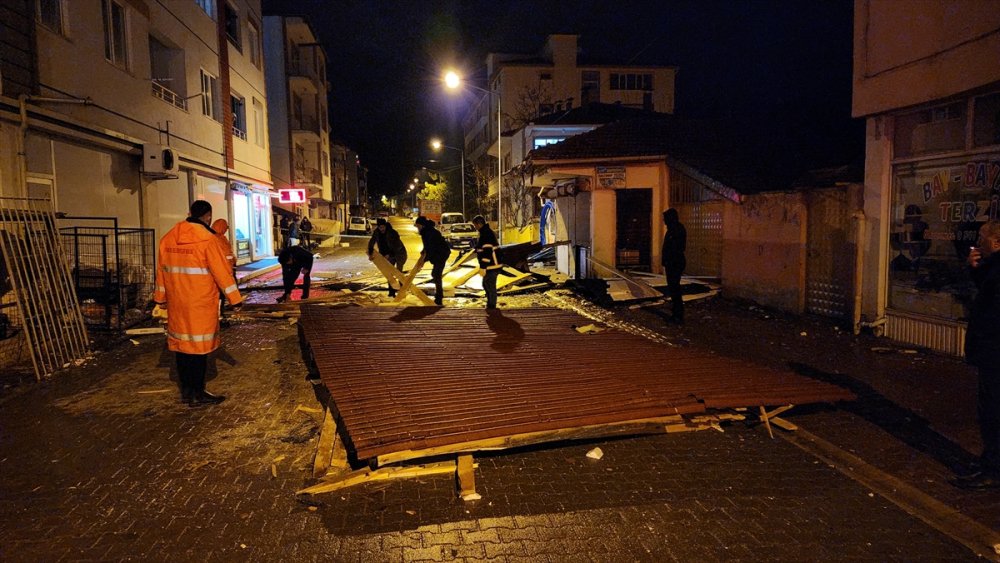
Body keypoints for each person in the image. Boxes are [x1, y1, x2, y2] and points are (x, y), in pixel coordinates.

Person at [153, 200, 242, 406]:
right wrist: (235, 299)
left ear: (189, 213)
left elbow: (162, 272)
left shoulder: (168, 238)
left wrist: (160, 299)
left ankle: (187, 392)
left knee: (182, 348)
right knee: (199, 350)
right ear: (208, 216)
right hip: (200, 304)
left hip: (177, 304)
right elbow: (222, 273)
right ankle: (198, 393)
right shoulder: (208, 240)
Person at [953, 221, 1000, 490]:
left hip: (994, 353)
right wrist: (975, 268)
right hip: (991, 352)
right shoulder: (993, 266)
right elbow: (987, 289)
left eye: (981, 239)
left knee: (993, 411)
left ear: (995, 243)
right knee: (989, 409)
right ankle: (990, 461)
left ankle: (994, 469)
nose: (977, 243)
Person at [414, 216, 450, 306]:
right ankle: (439, 294)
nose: (417, 228)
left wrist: (424, 260)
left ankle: (439, 298)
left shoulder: (429, 233)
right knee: (435, 274)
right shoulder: (426, 232)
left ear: (422, 225)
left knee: (436, 274)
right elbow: (427, 246)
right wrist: (423, 252)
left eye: (418, 226)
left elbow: (431, 248)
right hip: (438, 254)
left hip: (441, 254)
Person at [367, 218, 407, 297]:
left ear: (385, 226)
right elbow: (372, 242)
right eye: (380, 227)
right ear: (378, 227)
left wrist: (389, 254)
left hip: (399, 254)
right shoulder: (377, 232)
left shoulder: (392, 233)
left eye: (383, 227)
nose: (381, 229)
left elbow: (397, 246)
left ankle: (402, 292)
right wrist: (370, 253)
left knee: (399, 273)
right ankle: (391, 292)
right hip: (387, 255)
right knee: (389, 273)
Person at [661, 208, 687, 324]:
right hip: (672, 262)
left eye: (665, 219)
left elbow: (676, 248)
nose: (664, 221)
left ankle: (678, 315)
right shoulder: (672, 229)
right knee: (673, 288)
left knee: (675, 288)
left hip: (675, 263)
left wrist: (669, 260)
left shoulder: (677, 230)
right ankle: (676, 312)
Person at [472, 215, 502, 309]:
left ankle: (492, 305)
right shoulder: (485, 232)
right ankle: (490, 304)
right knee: (486, 284)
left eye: (475, 225)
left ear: (479, 224)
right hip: (491, 264)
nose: (475, 227)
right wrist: (477, 248)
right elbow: (483, 248)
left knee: (489, 285)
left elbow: (487, 251)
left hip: (492, 265)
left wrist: (483, 267)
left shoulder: (486, 234)